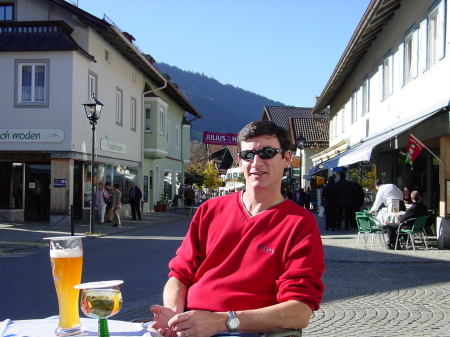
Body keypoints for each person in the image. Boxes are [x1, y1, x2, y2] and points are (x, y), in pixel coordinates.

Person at [149, 121, 325, 337]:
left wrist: (223, 322)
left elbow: (299, 312)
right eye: (248, 155)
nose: (256, 162)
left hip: (247, 331)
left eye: (267, 153)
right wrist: (175, 318)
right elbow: (180, 276)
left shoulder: (299, 223)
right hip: (194, 325)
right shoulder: (209, 211)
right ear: (240, 161)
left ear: (286, 158)